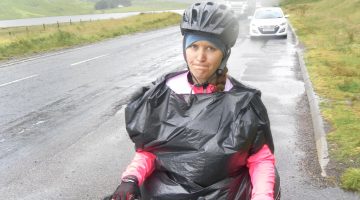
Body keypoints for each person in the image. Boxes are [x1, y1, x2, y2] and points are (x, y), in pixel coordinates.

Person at [110, 1, 280, 200]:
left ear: (224, 54)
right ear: (184, 48)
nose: (200, 57)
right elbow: (150, 151)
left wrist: (262, 197)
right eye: (194, 46)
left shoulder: (244, 102)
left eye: (210, 48)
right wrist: (130, 179)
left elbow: (261, 159)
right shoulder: (161, 94)